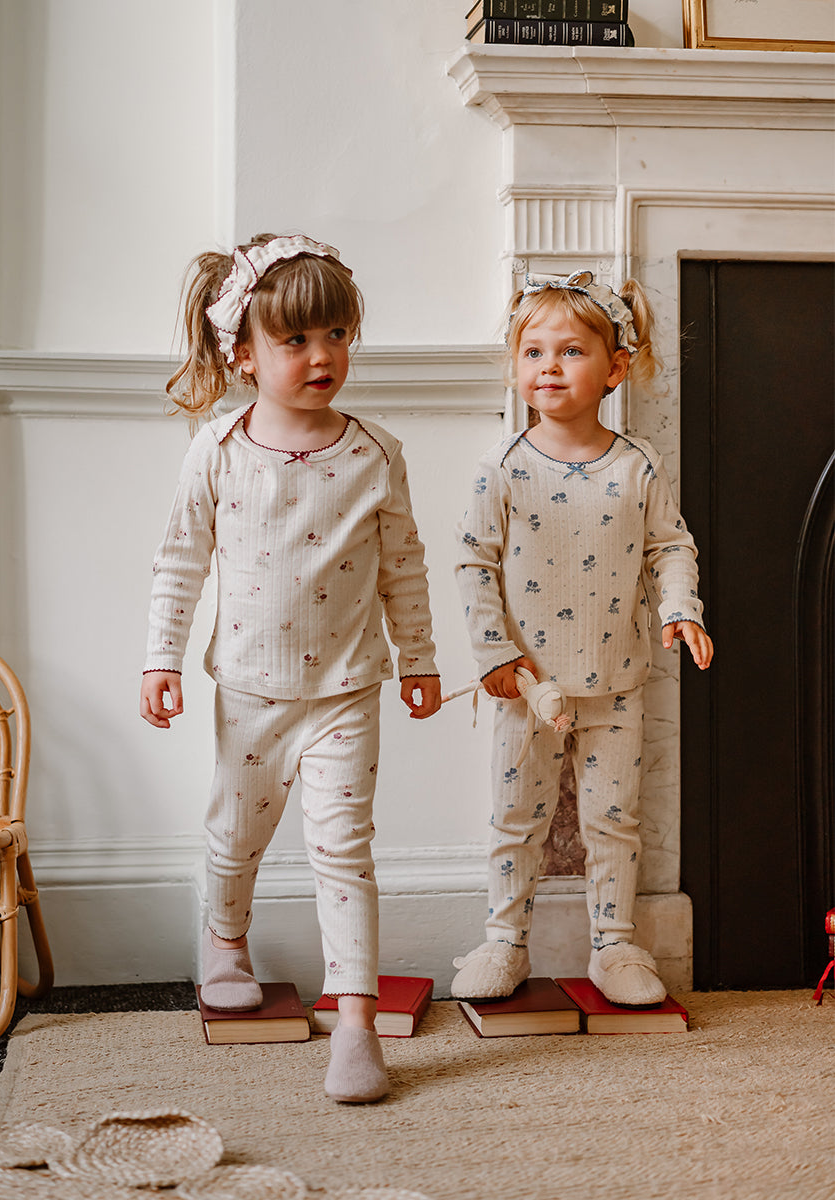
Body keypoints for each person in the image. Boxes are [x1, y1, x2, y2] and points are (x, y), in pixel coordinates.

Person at [140, 233, 441, 1101]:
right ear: (243, 353)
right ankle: (224, 942)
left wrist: (418, 658)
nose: (323, 356)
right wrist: (161, 659)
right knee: (236, 835)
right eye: (297, 340)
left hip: (348, 691)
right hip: (250, 692)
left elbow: (404, 567)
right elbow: (180, 562)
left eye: (337, 335)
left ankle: (355, 1023)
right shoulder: (218, 450)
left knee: (344, 851)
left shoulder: (375, 452)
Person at [451, 270, 712, 1008]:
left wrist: (681, 607)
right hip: (526, 685)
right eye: (533, 352)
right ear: (515, 365)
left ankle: (615, 943)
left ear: (615, 368)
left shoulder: (637, 465)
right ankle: (504, 940)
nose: (549, 367)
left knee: (613, 821)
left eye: (570, 351)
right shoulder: (502, 468)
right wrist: (495, 655)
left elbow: (670, 546)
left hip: (617, 680)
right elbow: (473, 564)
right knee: (516, 819)